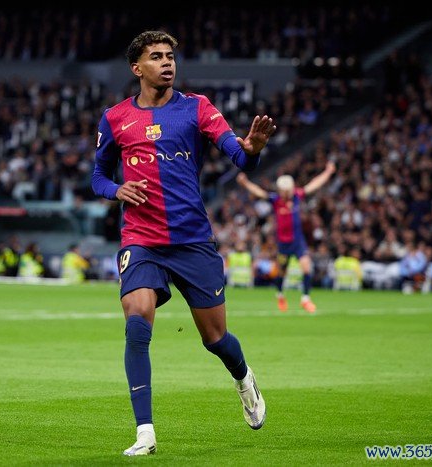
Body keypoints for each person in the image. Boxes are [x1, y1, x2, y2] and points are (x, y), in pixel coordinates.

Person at [92, 31, 274, 456]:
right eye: (156, 57)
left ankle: (244, 379)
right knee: (137, 321)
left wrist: (253, 150)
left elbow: (240, 154)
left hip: (192, 239)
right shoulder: (115, 117)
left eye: (170, 56)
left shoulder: (197, 108)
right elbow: (97, 176)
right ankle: (145, 432)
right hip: (141, 240)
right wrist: (115, 190)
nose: (167, 63)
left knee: (215, 338)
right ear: (137, 69)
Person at [236, 161, 336, 312]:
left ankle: (305, 299)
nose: (289, 192)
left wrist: (328, 172)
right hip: (283, 243)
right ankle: (280, 295)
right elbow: (258, 192)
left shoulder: (297, 196)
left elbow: (314, 185)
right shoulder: (275, 200)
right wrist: (245, 183)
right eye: (286, 190)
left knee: (306, 267)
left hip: (298, 241)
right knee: (281, 273)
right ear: (281, 190)